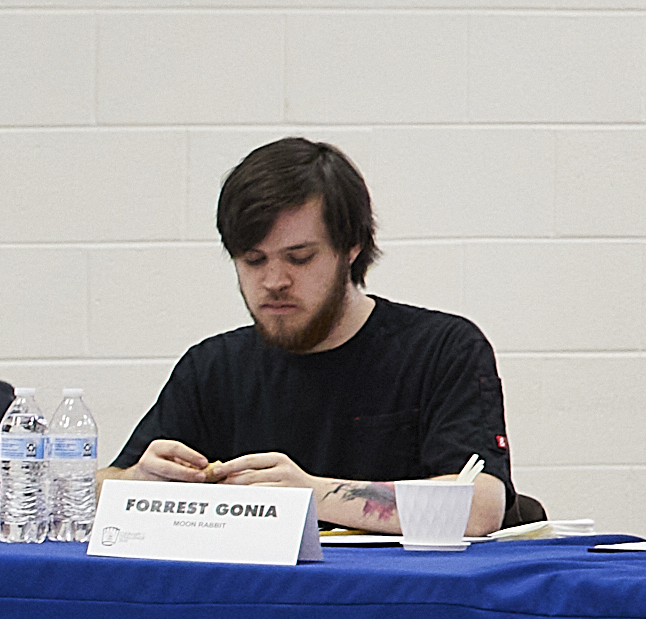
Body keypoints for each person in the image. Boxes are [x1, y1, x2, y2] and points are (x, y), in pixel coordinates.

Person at [109, 137, 511, 536]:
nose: (274, 281)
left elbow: (480, 508)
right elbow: (93, 489)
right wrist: (133, 487)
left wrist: (308, 494)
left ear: (351, 247)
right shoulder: (213, 367)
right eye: (253, 261)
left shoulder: (441, 349)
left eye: (299, 258)